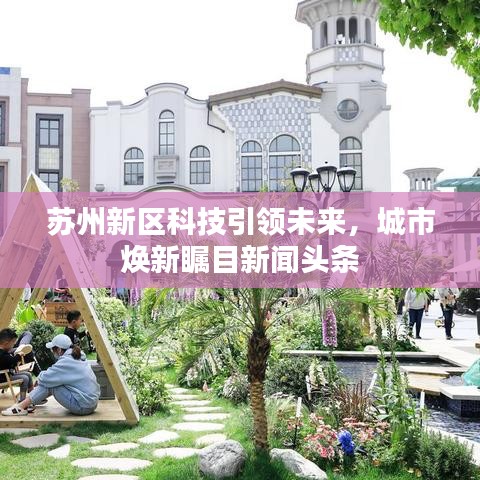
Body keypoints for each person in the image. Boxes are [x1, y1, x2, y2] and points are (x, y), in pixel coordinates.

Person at [1, 334, 100, 416]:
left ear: (59, 350)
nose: (52, 352)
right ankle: (27, 404)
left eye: (53, 349)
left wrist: (39, 380)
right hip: (90, 403)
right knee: (51, 381)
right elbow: (51, 375)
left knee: (51, 385)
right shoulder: (77, 357)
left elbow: (46, 378)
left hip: (83, 407)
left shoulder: (66, 362)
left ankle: (21, 406)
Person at [0, 329, 34, 403]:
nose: (14, 345)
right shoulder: (1, 354)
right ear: (6, 343)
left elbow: (9, 362)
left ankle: (33, 395)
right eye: (13, 343)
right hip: (3, 378)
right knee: (25, 378)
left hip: (7, 375)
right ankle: (23, 401)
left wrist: (17, 361)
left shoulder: (5, 352)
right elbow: (10, 360)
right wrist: (18, 356)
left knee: (28, 374)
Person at [437, 274, 460, 340]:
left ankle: (449, 333)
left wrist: (453, 296)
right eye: (445, 278)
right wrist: (445, 297)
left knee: (450, 319)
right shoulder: (440, 285)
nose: (447, 279)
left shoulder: (453, 284)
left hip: (452, 303)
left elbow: (458, 293)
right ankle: (447, 334)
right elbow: (437, 295)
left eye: (448, 277)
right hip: (444, 304)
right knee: (447, 318)